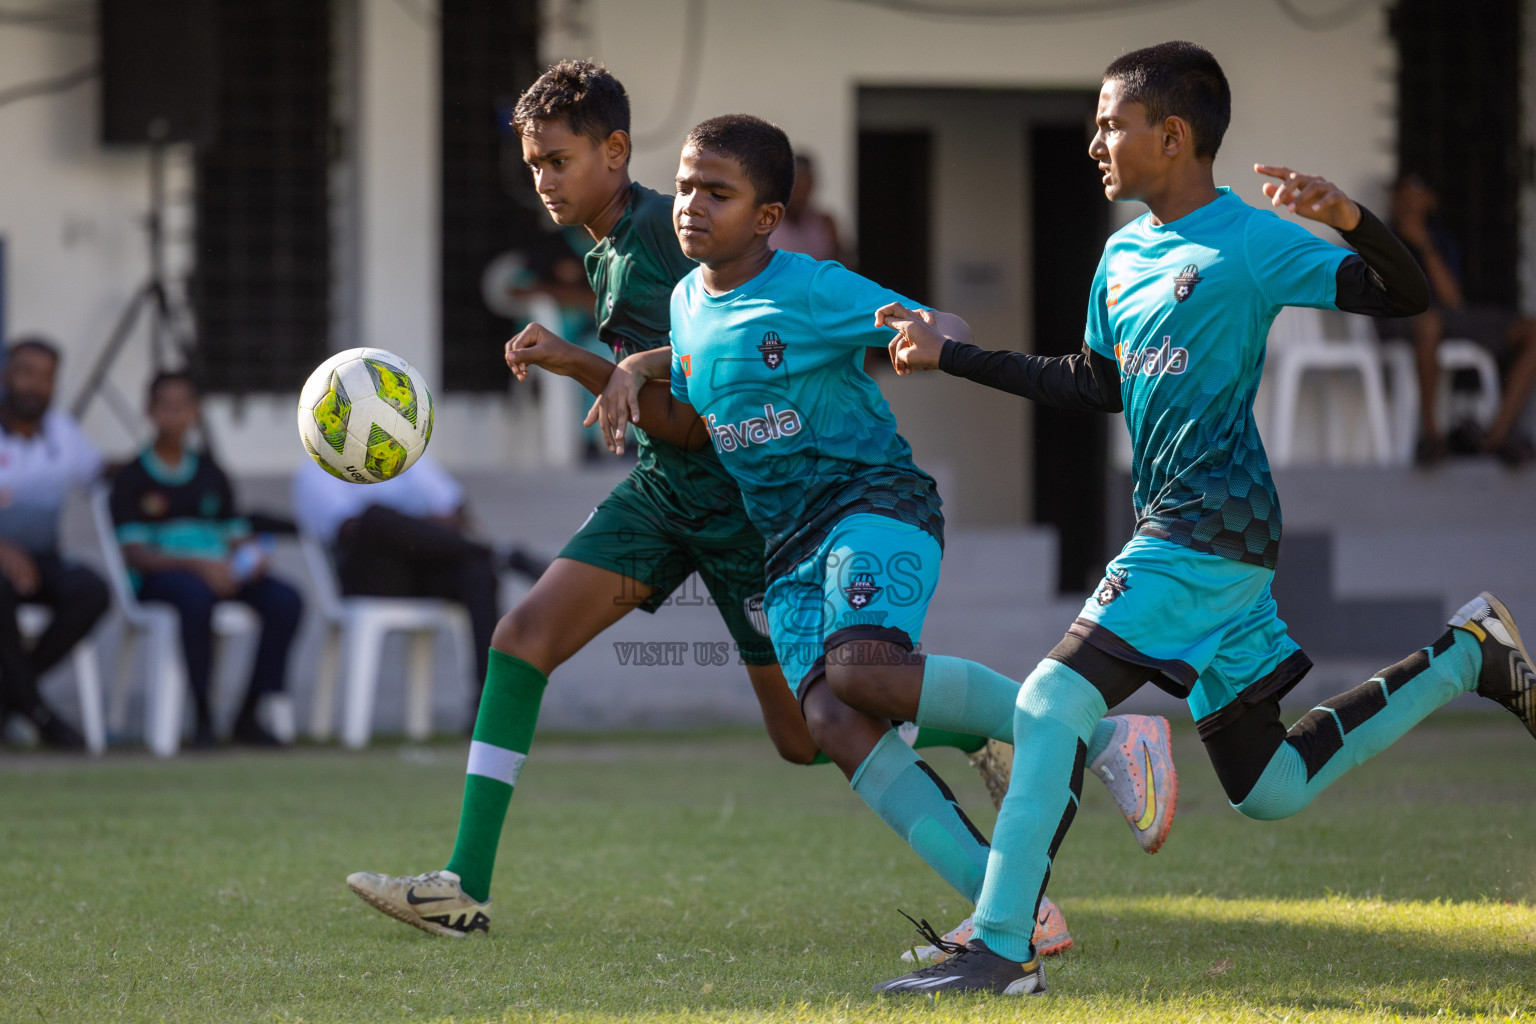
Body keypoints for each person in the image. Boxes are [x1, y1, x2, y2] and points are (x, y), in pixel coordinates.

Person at [343, 62, 1166, 949]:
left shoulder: (672, 234)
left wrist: (596, 365)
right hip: (672, 498)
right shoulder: (628, 259)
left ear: (616, 153)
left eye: (556, 159)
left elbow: (708, 415)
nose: (542, 178)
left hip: (760, 512)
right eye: (532, 162)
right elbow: (690, 369)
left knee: (821, 721)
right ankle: (464, 883)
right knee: (534, 643)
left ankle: (1027, 743)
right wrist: (619, 367)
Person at [872, 42, 1532, 997]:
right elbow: (1092, 383)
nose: (1096, 140)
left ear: (1173, 135)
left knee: (1050, 702)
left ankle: (1004, 946)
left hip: (1207, 530)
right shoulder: (1121, 254)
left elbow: (1405, 295)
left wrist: (1349, 219)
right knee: (1269, 787)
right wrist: (953, 357)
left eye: (1111, 123)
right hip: (1205, 540)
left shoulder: (1254, 243)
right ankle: (1470, 653)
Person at [596, 112, 1179, 971]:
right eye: (684, 186)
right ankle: (1011, 906)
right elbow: (687, 373)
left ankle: (1102, 737)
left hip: (871, 502)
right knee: (830, 717)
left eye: (717, 193)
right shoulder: (686, 300)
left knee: (864, 669)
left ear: (766, 217)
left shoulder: (810, 287)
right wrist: (623, 369)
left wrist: (927, 340)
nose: (690, 206)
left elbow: (935, 317)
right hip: (786, 547)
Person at [110, 371, 301, 748]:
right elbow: (135, 554)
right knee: (195, 598)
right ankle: (203, 716)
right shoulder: (131, 477)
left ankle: (248, 715)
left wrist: (251, 556)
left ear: (195, 413)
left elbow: (235, 533)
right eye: (166, 407)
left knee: (286, 601)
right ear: (149, 412)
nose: (175, 416)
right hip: (163, 579)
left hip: (222, 574)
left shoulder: (212, 472)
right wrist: (200, 566)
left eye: (184, 407)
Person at [292, 453, 525, 721]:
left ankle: (489, 708)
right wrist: (419, 523)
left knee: (478, 574)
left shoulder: (403, 458)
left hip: (419, 570)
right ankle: (497, 552)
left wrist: (415, 528)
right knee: (375, 517)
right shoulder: (316, 471)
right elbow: (351, 529)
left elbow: (457, 513)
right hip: (367, 577)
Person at [1379, 173, 1536, 466]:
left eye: (1415, 193)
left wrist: (1424, 245)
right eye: (1400, 193)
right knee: (1428, 322)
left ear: (1430, 201)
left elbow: (1453, 301)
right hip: (1403, 319)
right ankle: (1431, 437)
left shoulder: (1441, 241)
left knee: (1531, 331)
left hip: (1450, 319)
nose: (1406, 201)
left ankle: (1498, 436)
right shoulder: (1379, 237)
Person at [0, 337, 109, 750]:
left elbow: (102, 476)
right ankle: (39, 713)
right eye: (26, 373)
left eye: (45, 378)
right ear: (6, 376)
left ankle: (12, 697)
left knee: (92, 590)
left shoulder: (63, 433)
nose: (34, 386)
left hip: (43, 560)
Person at [769, 153, 842, 262]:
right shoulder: (765, 224)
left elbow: (840, 267)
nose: (801, 196)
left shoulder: (825, 223)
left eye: (806, 188)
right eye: (796, 188)